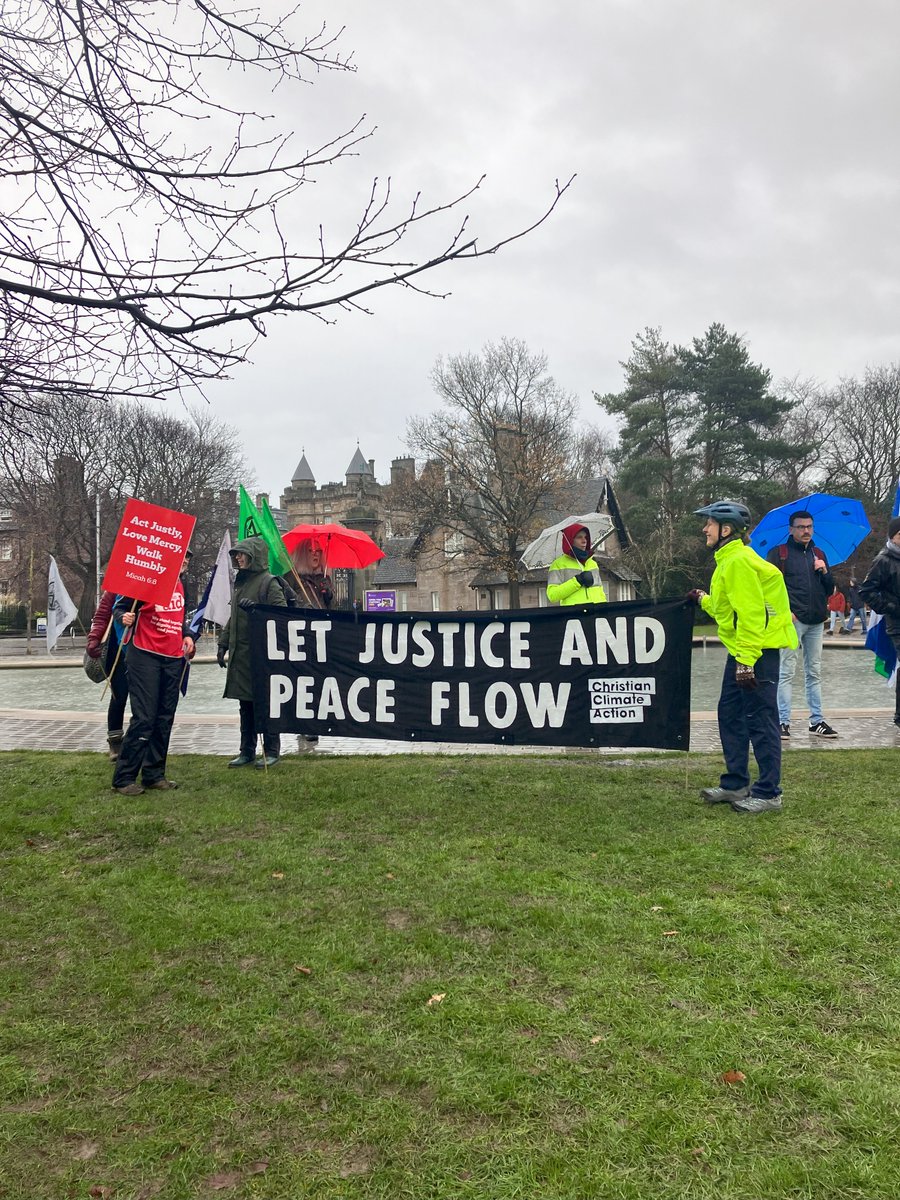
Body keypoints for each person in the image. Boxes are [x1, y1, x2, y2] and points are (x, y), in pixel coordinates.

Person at [688, 500, 798, 813]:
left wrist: (746, 661)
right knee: (730, 714)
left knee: (761, 720)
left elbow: (752, 615)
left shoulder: (737, 561)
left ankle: (768, 793)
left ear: (726, 529)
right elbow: (728, 609)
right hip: (743, 650)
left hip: (756, 652)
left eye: (708, 523)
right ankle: (736, 784)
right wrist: (703, 599)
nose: (704, 529)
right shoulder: (730, 560)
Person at [111, 554, 195, 796]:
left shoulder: (182, 584)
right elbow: (120, 608)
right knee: (145, 717)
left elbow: (179, 617)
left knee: (164, 716)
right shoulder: (146, 581)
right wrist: (123, 617)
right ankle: (124, 778)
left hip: (173, 656)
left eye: (188, 556)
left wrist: (187, 634)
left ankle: (154, 774)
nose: (186, 560)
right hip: (144, 654)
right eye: (182, 556)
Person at [766, 509, 838, 739]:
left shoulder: (819, 554)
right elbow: (768, 590)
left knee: (814, 673)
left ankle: (816, 721)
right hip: (792, 622)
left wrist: (824, 571)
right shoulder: (779, 554)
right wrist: (785, 612)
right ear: (791, 529)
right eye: (801, 527)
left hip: (817, 622)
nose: (806, 530)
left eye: (809, 526)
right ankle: (782, 721)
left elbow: (830, 590)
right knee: (786, 672)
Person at [218, 536, 287, 768]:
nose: (237, 557)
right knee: (245, 706)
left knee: (265, 706)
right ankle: (246, 750)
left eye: (242, 553)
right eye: (236, 554)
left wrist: (257, 610)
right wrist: (223, 643)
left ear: (253, 556)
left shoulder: (270, 583)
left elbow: (281, 616)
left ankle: (271, 750)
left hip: (262, 658)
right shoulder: (241, 583)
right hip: (242, 657)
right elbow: (233, 618)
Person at [285, 538, 334, 753]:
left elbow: (329, 605)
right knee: (303, 681)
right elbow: (287, 602)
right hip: (301, 634)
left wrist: (328, 592)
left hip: (321, 635)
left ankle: (314, 720)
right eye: (310, 550)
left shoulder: (324, 577)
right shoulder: (292, 577)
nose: (315, 554)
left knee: (319, 681)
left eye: (319, 550)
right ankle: (304, 724)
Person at [859, 516, 900, 730]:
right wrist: (891, 608)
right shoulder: (883, 559)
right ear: (893, 536)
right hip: (897, 623)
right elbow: (866, 591)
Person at [86, 588, 129, 760]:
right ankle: (115, 741)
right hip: (119, 649)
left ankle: (137, 740)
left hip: (145, 650)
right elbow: (102, 614)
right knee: (119, 695)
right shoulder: (116, 586)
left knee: (144, 699)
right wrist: (94, 638)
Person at [546, 524, 608, 606]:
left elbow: (600, 591)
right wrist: (577, 581)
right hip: (574, 615)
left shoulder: (592, 563)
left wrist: (605, 608)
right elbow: (552, 595)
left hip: (597, 613)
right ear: (570, 540)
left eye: (585, 537)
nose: (584, 540)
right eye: (579, 537)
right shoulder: (558, 565)